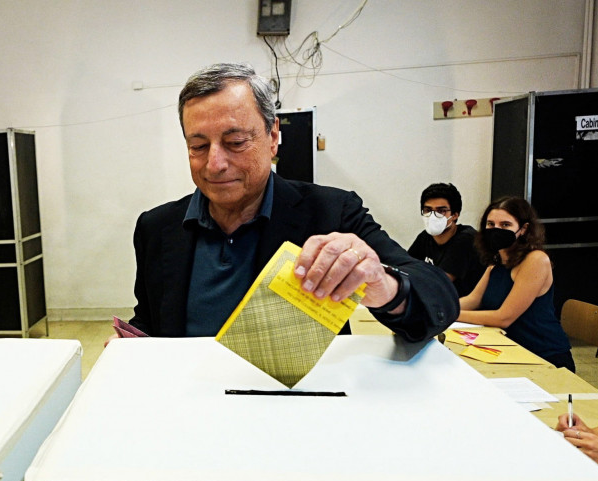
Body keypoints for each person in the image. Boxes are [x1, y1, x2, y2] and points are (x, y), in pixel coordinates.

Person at [124, 63, 457, 341]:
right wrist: (131, 342)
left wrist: (386, 287)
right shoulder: (156, 228)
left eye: (235, 142)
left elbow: (438, 296)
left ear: (272, 137)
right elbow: (152, 320)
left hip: (294, 407)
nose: (214, 163)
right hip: (190, 405)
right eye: (198, 146)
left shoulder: (330, 212)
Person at [458, 196, 574, 371]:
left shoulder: (536, 260)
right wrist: (433, 307)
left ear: (524, 229)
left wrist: (449, 314)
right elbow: (472, 300)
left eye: (505, 225)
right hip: (508, 350)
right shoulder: (498, 260)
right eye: (490, 224)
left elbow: (503, 317)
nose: (496, 230)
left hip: (543, 357)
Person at [407, 183, 482, 297]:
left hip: (464, 308)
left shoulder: (466, 239)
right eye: (428, 210)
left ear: (455, 215)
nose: (433, 216)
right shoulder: (425, 237)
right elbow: (406, 268)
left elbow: (438, 283)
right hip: (438, 303)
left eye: (441, 211)